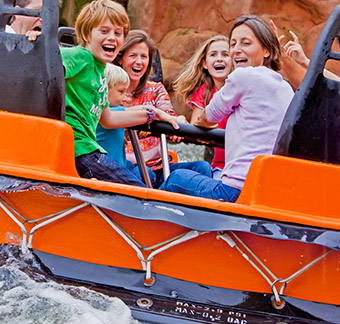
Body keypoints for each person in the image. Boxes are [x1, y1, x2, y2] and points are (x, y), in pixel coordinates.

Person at [161, 15, 294, 202]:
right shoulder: (286, 88)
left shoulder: (242, 76)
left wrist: (200, 122)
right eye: (233, 44)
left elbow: (206, 118)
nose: (236, 50)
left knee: (176, 178)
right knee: (204, 170)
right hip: (267, 193)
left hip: (236, 191)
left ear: (266, 50)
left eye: (245, 43)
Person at [60, 0, 182, 187]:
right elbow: (48, 64)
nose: (112, 38)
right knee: (139, 193)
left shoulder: (100, 73)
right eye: (104, 31)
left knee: (140, 186)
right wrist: (35, 44)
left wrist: (152, 113)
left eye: (118, 33)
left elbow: (109, 119)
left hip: (88, 150)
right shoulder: (81, 57)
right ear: (86, 34)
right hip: (80, 150)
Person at [113, 30, 212, 187]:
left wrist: (177, 119)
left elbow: (168, 115)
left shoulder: (156, 88)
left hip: (160, 166)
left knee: (202, 168)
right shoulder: (111, 90)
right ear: (120, 59)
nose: (139, 61)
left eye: (144, 57)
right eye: (133, 56)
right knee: (145, 173)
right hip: (129, 168)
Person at [172, 35, 232, 177]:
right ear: (205, 64)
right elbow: (196, 126)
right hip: (217, 158)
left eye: (225, 54)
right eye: (213, 54)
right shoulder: (204, 91)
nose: (219, 58)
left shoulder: (239, 87)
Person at [96, 63, 156, 184]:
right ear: (104, 90)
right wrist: (155, 113)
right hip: (109, 176)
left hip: (115, 167)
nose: (125, 98)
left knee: (133, 166)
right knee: (147, 173)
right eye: (121, 91)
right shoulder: (108, 113)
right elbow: (132, 111)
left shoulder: (96, 111)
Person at [0, 0, 44, 69]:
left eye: (47, 14)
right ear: (18, 12)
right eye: (38, 12)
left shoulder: (40, 45)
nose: (42, 19)